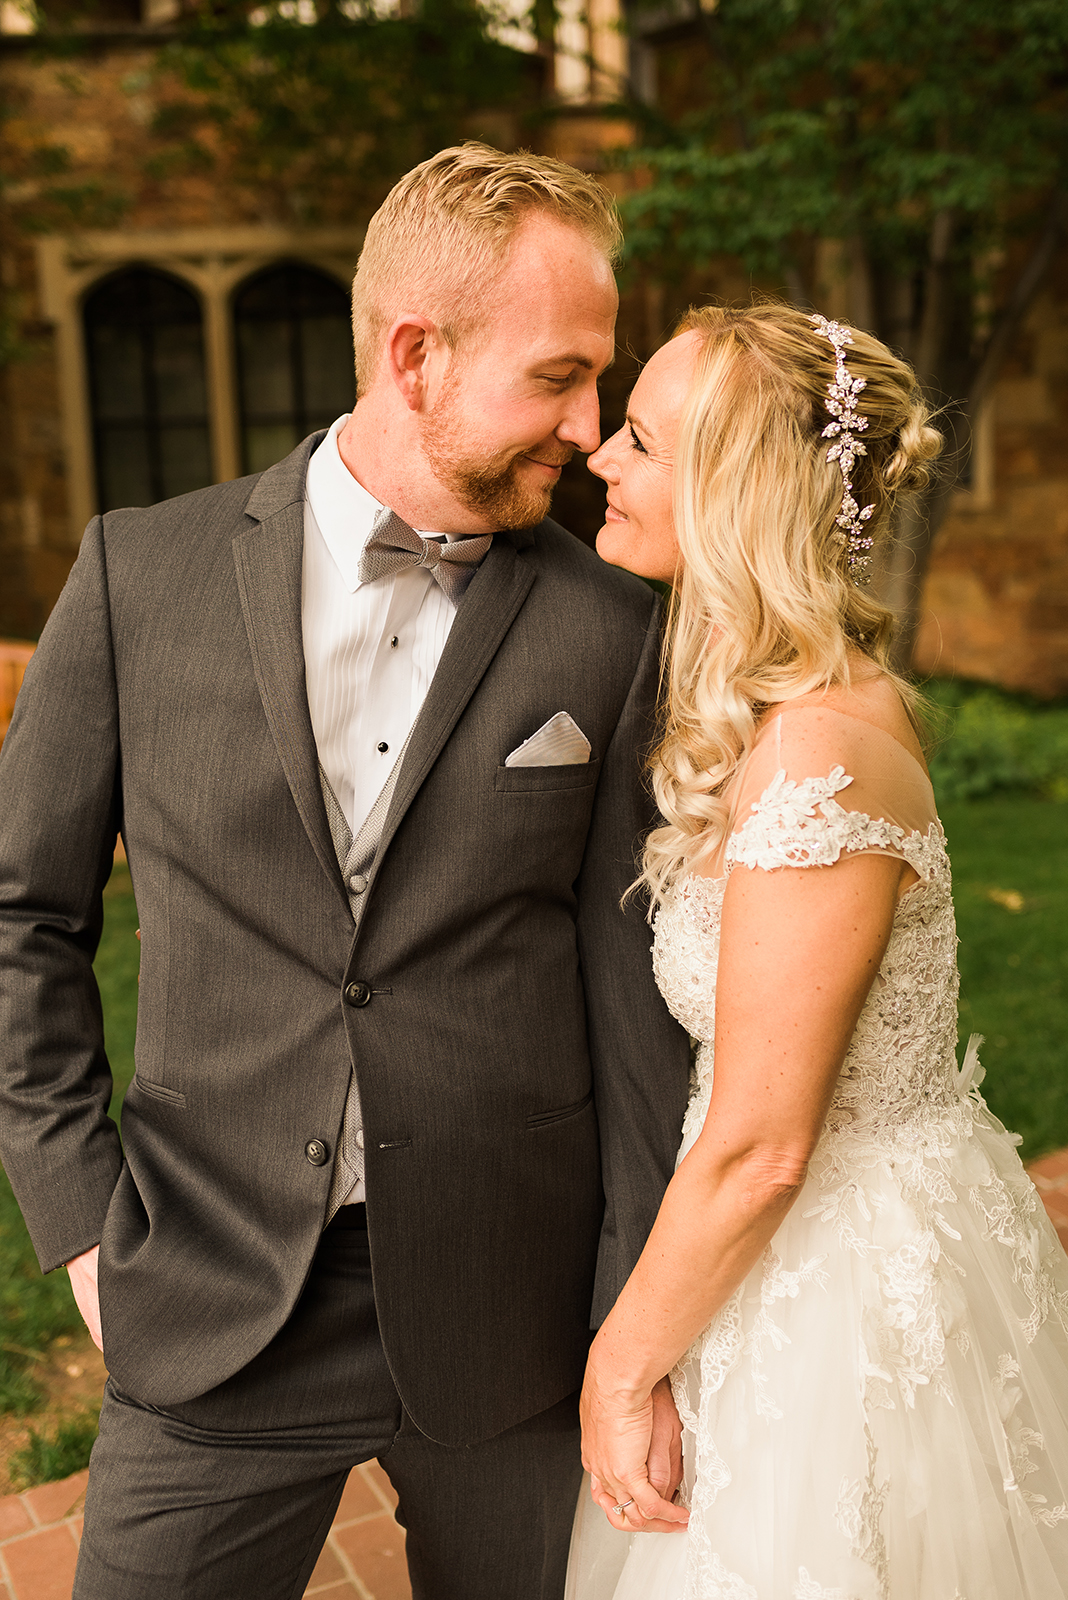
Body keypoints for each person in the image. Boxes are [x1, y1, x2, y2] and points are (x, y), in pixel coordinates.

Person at [0, 143, 692, 1600]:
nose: (588, 424)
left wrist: (633, 1324)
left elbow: (631, 996)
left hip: (512, 1308)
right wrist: (78, 1225)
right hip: (212, 1283)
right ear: (415, 355)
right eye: (558, 377)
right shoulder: (140, 576)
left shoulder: (609, 629)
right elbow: (23, 917)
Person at [564, 302, 1068, 1599]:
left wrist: (619, 1369)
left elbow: (762, 1145)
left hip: (841, 1291)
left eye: (637, 437)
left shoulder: (815, 749)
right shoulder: (797, 697)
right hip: (782, 1248)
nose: (599, 460)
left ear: (733, 493)